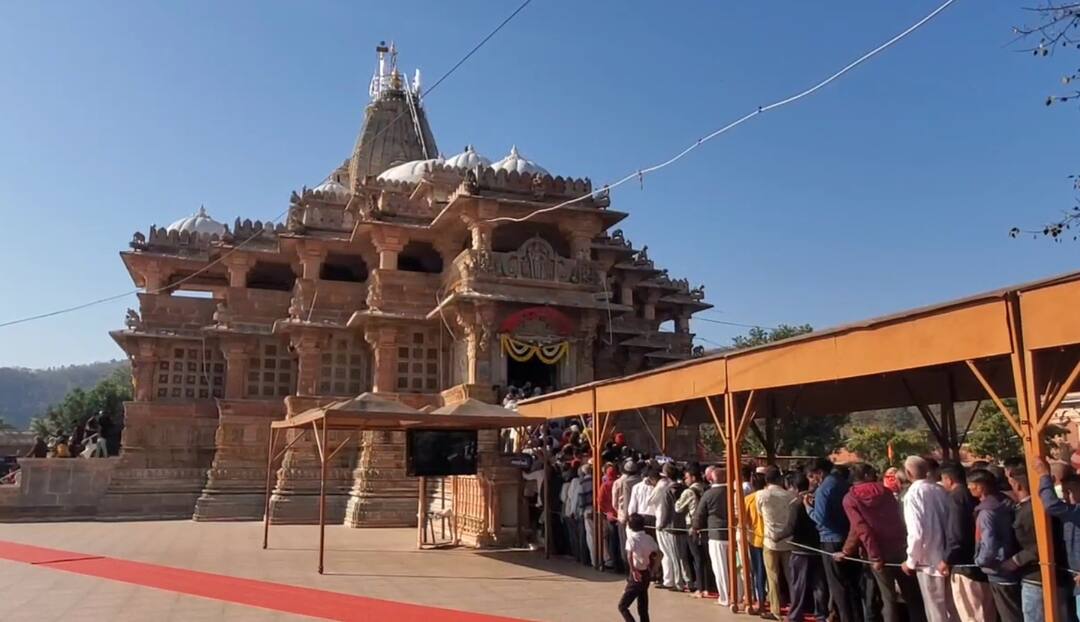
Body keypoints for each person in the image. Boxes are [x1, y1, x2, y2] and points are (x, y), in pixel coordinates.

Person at [838, 462, 926, 622]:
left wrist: (872, 556)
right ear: (868, 475)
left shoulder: (850, 498)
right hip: (901, 547)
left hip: (877, 552)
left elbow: (860, 528)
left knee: (888, 598)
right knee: (912, 596)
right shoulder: (885, 491)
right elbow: (898, 518)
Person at [900, 455, 955, 622]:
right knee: (953, 610)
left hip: (928, 560)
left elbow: (916, 533)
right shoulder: (940, 490)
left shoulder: (913, 494)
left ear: (908, 473)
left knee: (936, 611)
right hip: (947, 556)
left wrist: (911, 560)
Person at [940, 462, 996, 622]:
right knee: (987, 612)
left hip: (965, 567)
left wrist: (947, 559)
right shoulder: (974, 496)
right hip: (980, 564)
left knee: (972, 615)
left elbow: (956, 533)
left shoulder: (956, 498)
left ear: (948, 479)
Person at [807, 458, 858, 622]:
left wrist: (808, 508)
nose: (811, 480)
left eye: (811, 476)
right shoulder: (843, 484)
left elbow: (820, 518)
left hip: (830, 538)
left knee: (837, 586)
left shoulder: (823, 490)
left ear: (819, 473)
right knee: (851, 584)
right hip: (848, 537)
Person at [969, 468, 1022, 622]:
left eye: (971, 485)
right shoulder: (1006, 503)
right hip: (1013, 562)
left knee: (1008, 614)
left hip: (998, 568)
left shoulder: (986, 513)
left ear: (980, 487)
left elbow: (989, 544)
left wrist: (980, 561)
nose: (969, 488)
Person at [1035, 458, 1080, 619]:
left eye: (1070, 492)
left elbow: (1051, 505)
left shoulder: (1076, 512)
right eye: (1064, 492)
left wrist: (1044, 476)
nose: (1066, 497)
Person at [789, 472, 829, 622]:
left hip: (799, 548)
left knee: (798, 585)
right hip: (818, 547)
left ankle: (795, 614)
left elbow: (791, 526)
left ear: (794, 486)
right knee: (819, 584)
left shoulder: (795, 503)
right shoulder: (819, 500)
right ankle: (821, 614)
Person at [758, 466, 796, 620]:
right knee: (790, 576)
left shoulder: (761, 495)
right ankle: (795, 606)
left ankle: (776, 610)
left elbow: (760, 513)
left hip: (770, 539)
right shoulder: (789, 495)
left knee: (772, 576)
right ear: (780, 479)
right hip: (788, 539)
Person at [692, 465, 731, 606]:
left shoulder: (709, 494)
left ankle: (725, 597)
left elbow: (699, 514)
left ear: (712, 479)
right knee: (736, 568)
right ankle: (738, 596)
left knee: (720, 568)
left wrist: (695, 528)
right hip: (732, 533)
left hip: (716, 535)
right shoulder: (732, 491)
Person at [676, 464, 710, 596]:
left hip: (692, 526)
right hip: (705, 525)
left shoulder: (688, 492)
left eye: (687, 477)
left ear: (693, 477)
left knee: (696, 558)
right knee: (705, 558)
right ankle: (706, 586)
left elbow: (678, 508)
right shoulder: (706, 489)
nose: (685, 480)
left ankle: (700, 588)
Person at [619, 513, 660, 622]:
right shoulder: (648, 538)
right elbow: (660, 553)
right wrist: (654, 568)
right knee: (643, 607)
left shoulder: (632, 539)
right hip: (646, 573)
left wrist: (633, 570)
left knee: (622, 606)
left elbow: (629, 556)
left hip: (637, 573)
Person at [652, 463, 683, 589]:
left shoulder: (664, 487)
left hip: (665, 524)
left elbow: (651, 501)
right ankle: (675, 580)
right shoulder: (681, 486)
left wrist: (661, 524)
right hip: (678, 523)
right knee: (676, 555)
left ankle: (671, 581)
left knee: (668, 553)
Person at [745, 471, 767, 613]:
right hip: (771, 538)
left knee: (759, 572)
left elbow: (744, 520)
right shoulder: (768, 497)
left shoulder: (749, 499)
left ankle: (761, 601)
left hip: (756, 539)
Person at [614, 459, 642, 568]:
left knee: (627, 543)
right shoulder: (641, 480)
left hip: (630, 515)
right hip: (641, 514)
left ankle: (628, 566)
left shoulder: (626, 482)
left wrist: (625, 517)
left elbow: (626, 500)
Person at [600, 464, 623, 572]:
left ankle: (615, 564)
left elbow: (600, 501)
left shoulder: (605, 485)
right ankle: (623, 564)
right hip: (621, 515)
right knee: (621, 540)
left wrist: (606, 511)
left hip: (610, 516)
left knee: (612, 541)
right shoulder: (619, 483)